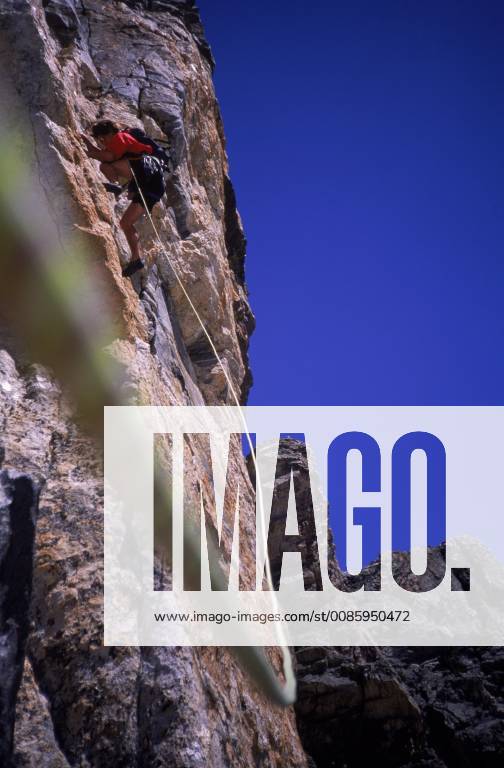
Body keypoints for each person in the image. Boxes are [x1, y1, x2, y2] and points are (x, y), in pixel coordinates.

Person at [81, 120, 165, 277]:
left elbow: (107, 156)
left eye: (101, 138)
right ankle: (136, 258)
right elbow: (104, 155)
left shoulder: (120, 138)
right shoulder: (116, 142)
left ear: (109, 133)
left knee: (105, 165)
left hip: (147, 178)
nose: (102, 142)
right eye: (99, 140)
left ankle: (122, 186)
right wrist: (86, 142)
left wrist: (87, 150)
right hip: (149, 185)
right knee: (125, 223)